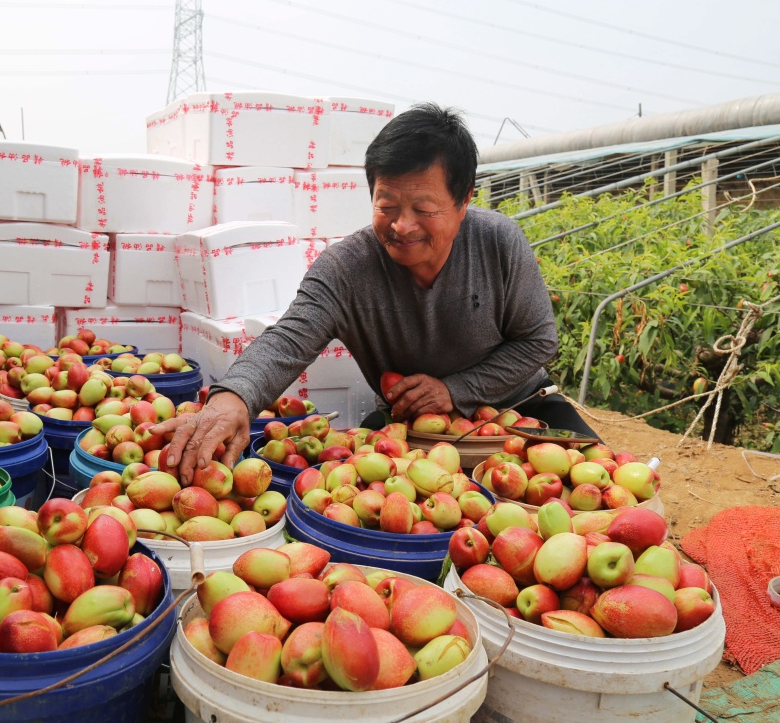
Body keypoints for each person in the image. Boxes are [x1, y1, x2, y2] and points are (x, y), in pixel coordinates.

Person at [154, 102, 598, 481]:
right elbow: (287, 339)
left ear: (464, 201)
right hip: (412, 428)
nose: (402, 226)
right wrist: (233, 396)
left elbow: (539, 341)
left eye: (423, 209)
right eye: (386, 206)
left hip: (519, 412)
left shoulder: (499, 243)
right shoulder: (347, 269)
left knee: (605, 480)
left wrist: (455, 389)